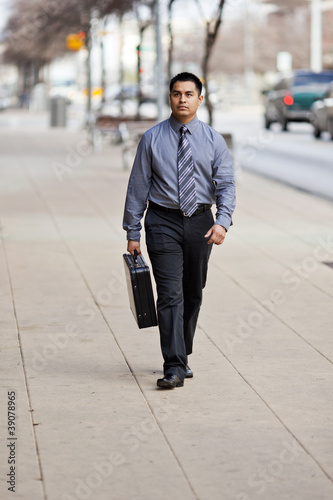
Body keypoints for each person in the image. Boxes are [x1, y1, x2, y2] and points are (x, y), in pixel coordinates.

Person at [123, 72, 236, 389]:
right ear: (169, 98)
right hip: (162, 222)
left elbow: (226, 185)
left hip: (201, 222)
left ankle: (182, 352)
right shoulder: (152, 139)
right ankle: (173, 365)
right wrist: (133, 233)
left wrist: (222, 221)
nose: (182, 99)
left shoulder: (214, 140)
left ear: (200, 98)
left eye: (189, 94)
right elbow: (137, 189)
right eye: (176, 93)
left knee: (193, 293)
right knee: (170, 295)